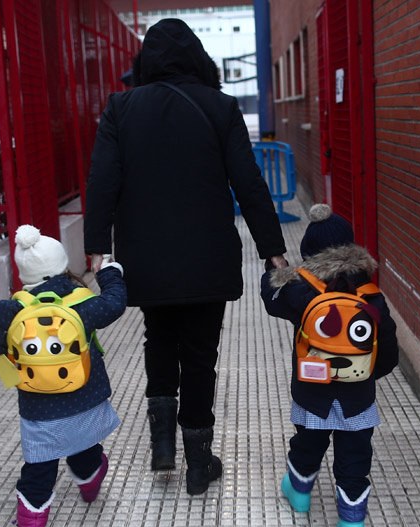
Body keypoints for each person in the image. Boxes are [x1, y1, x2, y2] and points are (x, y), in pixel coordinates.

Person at [84, 18, 287, 496]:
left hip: (146, 258)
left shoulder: (121, 108)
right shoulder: (220, 106)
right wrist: (272, 250)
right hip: (206, 256)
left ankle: (162, 449)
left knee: (159, 339)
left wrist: (97, 248)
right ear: (198, 58)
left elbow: (101, 181)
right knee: (201, 354)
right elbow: (248, 182)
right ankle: (199, 461)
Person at [260, 204, 399, 527]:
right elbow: (389, 350)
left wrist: (274, 270)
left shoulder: (301, 292)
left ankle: (300, 492)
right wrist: (367, 375)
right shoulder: (371, 296)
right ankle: (352, 525)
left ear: (309, 255)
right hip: (358, 399)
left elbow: (270, 298)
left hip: (312, 394)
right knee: (355, 458)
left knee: (308, 443)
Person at [0, 225, 126, 527]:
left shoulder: (14, 310)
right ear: (63, 266)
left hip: (39, 409)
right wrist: (109, 273)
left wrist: (15, 381)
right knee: (85, 446)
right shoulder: (80, 303)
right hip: (85, 398)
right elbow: (115, 303)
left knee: (38, 469)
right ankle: (90, 482)